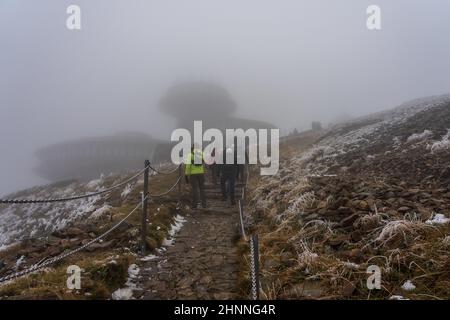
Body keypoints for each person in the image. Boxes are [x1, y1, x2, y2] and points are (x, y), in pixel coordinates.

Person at [184, 144, 207, 209]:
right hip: (201, 173)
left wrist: (186, 174)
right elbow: (204, 162)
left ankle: (195, 205)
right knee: (202, 189)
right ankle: (204, 204)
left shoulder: (190, 155)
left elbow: (188, 166)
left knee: (195, 189)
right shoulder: (202, 154)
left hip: (193, 174)